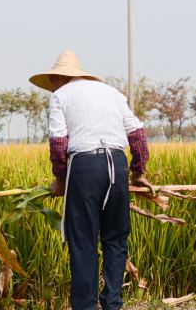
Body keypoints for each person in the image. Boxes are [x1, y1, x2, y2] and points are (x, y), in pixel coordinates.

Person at [29, 50, 153, 310]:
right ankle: (112, 304)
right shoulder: (112, 93)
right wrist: (138, 171)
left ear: (60, 77)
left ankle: (85, 307)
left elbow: (58, 141)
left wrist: (60, 179)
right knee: (116, 238)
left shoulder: (60, 96)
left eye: (52, 79)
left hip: (84, 167)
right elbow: (137, 132)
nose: (51, 85)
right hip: (116, 165)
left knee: (83, 241)